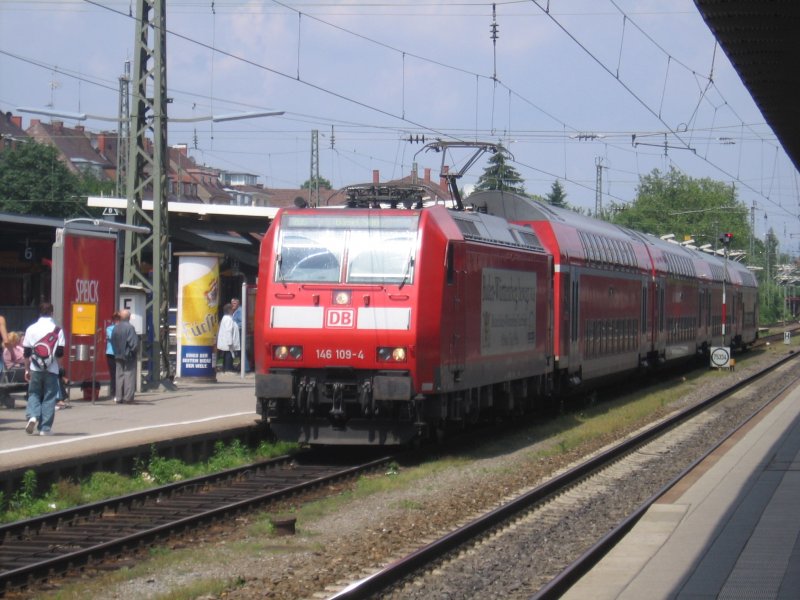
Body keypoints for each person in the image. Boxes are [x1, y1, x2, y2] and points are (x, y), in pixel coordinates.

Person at [22, 302, 66, 435]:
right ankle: (45, 428)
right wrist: (60, 368)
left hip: (35, 368)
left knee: (34, 393)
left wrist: (27, 369)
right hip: (51, 369)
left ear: (39, 312)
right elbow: (59, 353)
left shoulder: (31, 328)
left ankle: (33, 416)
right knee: (49, 397)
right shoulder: (57, 330)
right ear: (52, 313)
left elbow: (26, 352)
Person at [111, 309, 138, 404]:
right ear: (129, 317)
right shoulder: (130, 328)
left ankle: (118, 397)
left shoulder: (115, 328)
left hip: (118, 355)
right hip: (128, 355)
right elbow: (133, 343)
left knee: (119, 376)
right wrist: (134, 352)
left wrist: (116, 351)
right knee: (129, 375)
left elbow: (113, 340)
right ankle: (128, 398)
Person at [217, 303, 240, 373]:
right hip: (228, 342)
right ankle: (228, 369)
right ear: (229, 310)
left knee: (227, 355)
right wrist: (230, 342)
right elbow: (228, 331)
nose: (233, 310)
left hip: (227, 342)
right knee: (228, 355)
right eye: (232, 309)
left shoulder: (227, 318)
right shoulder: (228, 319)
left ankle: (226, 369)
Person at [105, 312, 121, 402]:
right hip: (111, 353)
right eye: (116, 319)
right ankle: (113, 392)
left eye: (119, 319)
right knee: (113, 374)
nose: (117, 321)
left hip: (120, 353)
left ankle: (120, 392)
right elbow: (112, 337)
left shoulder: (122, 328)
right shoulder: (109, 328)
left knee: (120, 373)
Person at [230, 297, 248, 372]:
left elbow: (242, 322)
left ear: (238, 303)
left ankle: (246, 368)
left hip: (240, 332)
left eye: (235, 303)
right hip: (237, 332)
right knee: (239, 350)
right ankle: (242, 367)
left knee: (242, 350)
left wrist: (234, 325)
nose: (233, 305)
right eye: (232, 303)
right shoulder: (235, 311)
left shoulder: (240, 311)